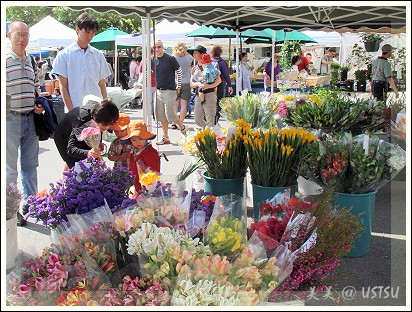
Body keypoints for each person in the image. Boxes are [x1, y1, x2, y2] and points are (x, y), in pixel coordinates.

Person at [6, 20, 45, 226]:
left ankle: (32, 206)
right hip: (9, 119)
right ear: (8, 35)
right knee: (10, 169)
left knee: (31, 166)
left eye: (26, 35)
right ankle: (11, 211)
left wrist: (38, 103)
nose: (22, 39)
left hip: (30, 119)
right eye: (18, 34)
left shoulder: (32, 62)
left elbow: (36, 88)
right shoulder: (4, 60)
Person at [52, 12, 111, 112]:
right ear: (77, 30)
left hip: (96, 109)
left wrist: (105, 107)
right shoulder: (64, 55)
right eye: (87, 32)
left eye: (93, 33)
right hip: (76, 108)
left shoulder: (98, 55)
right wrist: (71, 111)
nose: (90, 36)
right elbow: (63, 86)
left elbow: (102, 84)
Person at [54, 98, 119, 169]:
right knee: (76, 167)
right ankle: (66, 178)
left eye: (110, 124)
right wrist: (87, 153)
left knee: (92, 162)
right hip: (65, 137)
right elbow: (71, 149)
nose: (107, 127)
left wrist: (97, 142)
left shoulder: (102, 114)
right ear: (95, 117)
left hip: (83, 134)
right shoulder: (82, 120)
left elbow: (99, 129)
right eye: (104, 125)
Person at [152, 39, 186, 145]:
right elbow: (148, 72)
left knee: (170, 113)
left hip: (170, 90)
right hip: (158, 90)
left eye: (159, 47)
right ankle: (165, 137)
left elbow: (179, 71)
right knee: (161, 115)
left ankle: (183, 129)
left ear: (163, 47)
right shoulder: (153, 59)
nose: (157, 49)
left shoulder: (170, 58)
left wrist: (179, 85)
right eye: (155, 47)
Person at [121, 120, 160, 194]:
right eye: (134, 140)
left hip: (148, 189)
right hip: (137, 187)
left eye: (141, 139)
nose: (137, 142)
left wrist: (148, 188)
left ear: (146, 138)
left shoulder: (151, 153)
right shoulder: (133, 152)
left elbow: (154, 173)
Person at [189, 45, 222, 130]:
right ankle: (208, 129)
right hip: (198, 95)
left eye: (195, 53)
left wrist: (209, 86)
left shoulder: (211, 67)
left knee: (210, 117)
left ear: (202, 54)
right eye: (193, 53)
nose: (193, 55)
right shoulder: (194, 68)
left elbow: (219, 81)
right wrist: (198, 84)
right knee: (197, 119)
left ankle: (211, 133)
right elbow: (191, 84)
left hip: (210, 94)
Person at [172, 42, 193, 130]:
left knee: (175, 104)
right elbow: (191, 57)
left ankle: (174, 122)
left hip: (176, 82)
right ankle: (181, 122)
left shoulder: (173, 58)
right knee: (184, 104)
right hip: (186, 82)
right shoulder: (188, 58)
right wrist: (186, 51)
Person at [210, 45, 233, 124]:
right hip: (219, 84)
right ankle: (215, 120)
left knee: (209, 101)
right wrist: (230, 85)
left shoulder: (209, 61)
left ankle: (209, 119)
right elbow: (226, 75)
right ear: (220, 53)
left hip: (209, 84)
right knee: (218, 102)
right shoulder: (221, 62)